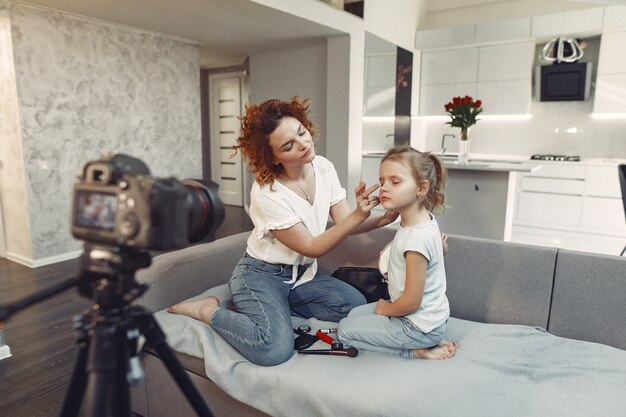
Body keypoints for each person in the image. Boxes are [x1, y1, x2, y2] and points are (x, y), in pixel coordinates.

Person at [167, 96, 398, 366]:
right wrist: (359, 215)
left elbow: (345, 220)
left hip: (303, 275)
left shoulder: (323, 167)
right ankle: (209, 310)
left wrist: (386, 218)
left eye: (302, 132)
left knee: (355, 306)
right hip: (261, 275)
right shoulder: (267, 192)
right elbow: (312, 247)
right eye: (289, 146)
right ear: (273, 157)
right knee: (273, 349)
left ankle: (269, 309)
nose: (303, 144)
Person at [337, 146, 458, 360]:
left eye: (395, 182)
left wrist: (385, 309)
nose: (384, 188)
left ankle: (416, 351)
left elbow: (412, 302)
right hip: (428, 321)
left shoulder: (415, 239)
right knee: (353, 314)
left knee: (344, 331)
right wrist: (442, 249)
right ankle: (426, 340)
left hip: (417, 326)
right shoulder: (422, 219)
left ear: (421, 188)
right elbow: (432, 253)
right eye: (382, 181)